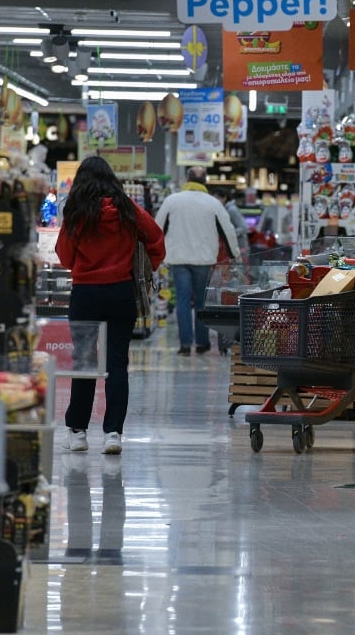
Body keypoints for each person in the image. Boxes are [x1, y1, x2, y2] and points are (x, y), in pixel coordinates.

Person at [55, 156, 165, 454]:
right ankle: (113, 433)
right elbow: (156, 238)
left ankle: (78, 432)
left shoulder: (76, 211)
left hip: (86, 294)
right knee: (117, 363)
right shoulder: (127, 208)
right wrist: (145, 267)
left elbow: (64, 257)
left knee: (84, 361)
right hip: (120, 292)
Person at [156, 167, 240, 356]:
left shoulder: (172, 201)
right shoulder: (213, 203)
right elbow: (228, 230)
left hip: (178, 259)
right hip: (203, 259)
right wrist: (235, 255)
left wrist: (153, 254)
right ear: (205, 181)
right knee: (202, 302)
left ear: (187, 179)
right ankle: (202, 343)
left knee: (183, 301)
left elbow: (157, 228)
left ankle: (185, 344)